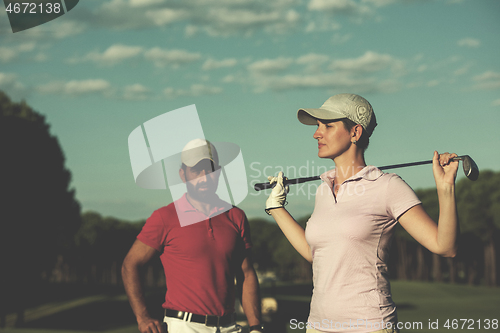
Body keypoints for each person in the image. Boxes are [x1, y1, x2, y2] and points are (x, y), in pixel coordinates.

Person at [265, 94, 459, 333]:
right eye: (317, 127)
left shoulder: (387, 186)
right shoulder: (322, 190)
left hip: (369, 325)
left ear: (355, 133)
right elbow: (315, 254)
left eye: (328, 126)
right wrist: (276, 208)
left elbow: (444, 246)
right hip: (318, 326)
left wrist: (445, 187)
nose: (317, 133)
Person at [122, 139, 264, 333]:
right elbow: (131, 264)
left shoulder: (236, 216)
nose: (204, 178)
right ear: (183, 174)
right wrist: (143, 317)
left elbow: (246, 273)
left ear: (219, 172)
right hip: (185, 326)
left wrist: (256, 326)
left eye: (209, 170)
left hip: (230, 326)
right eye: (196, 171)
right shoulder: (165, 217)